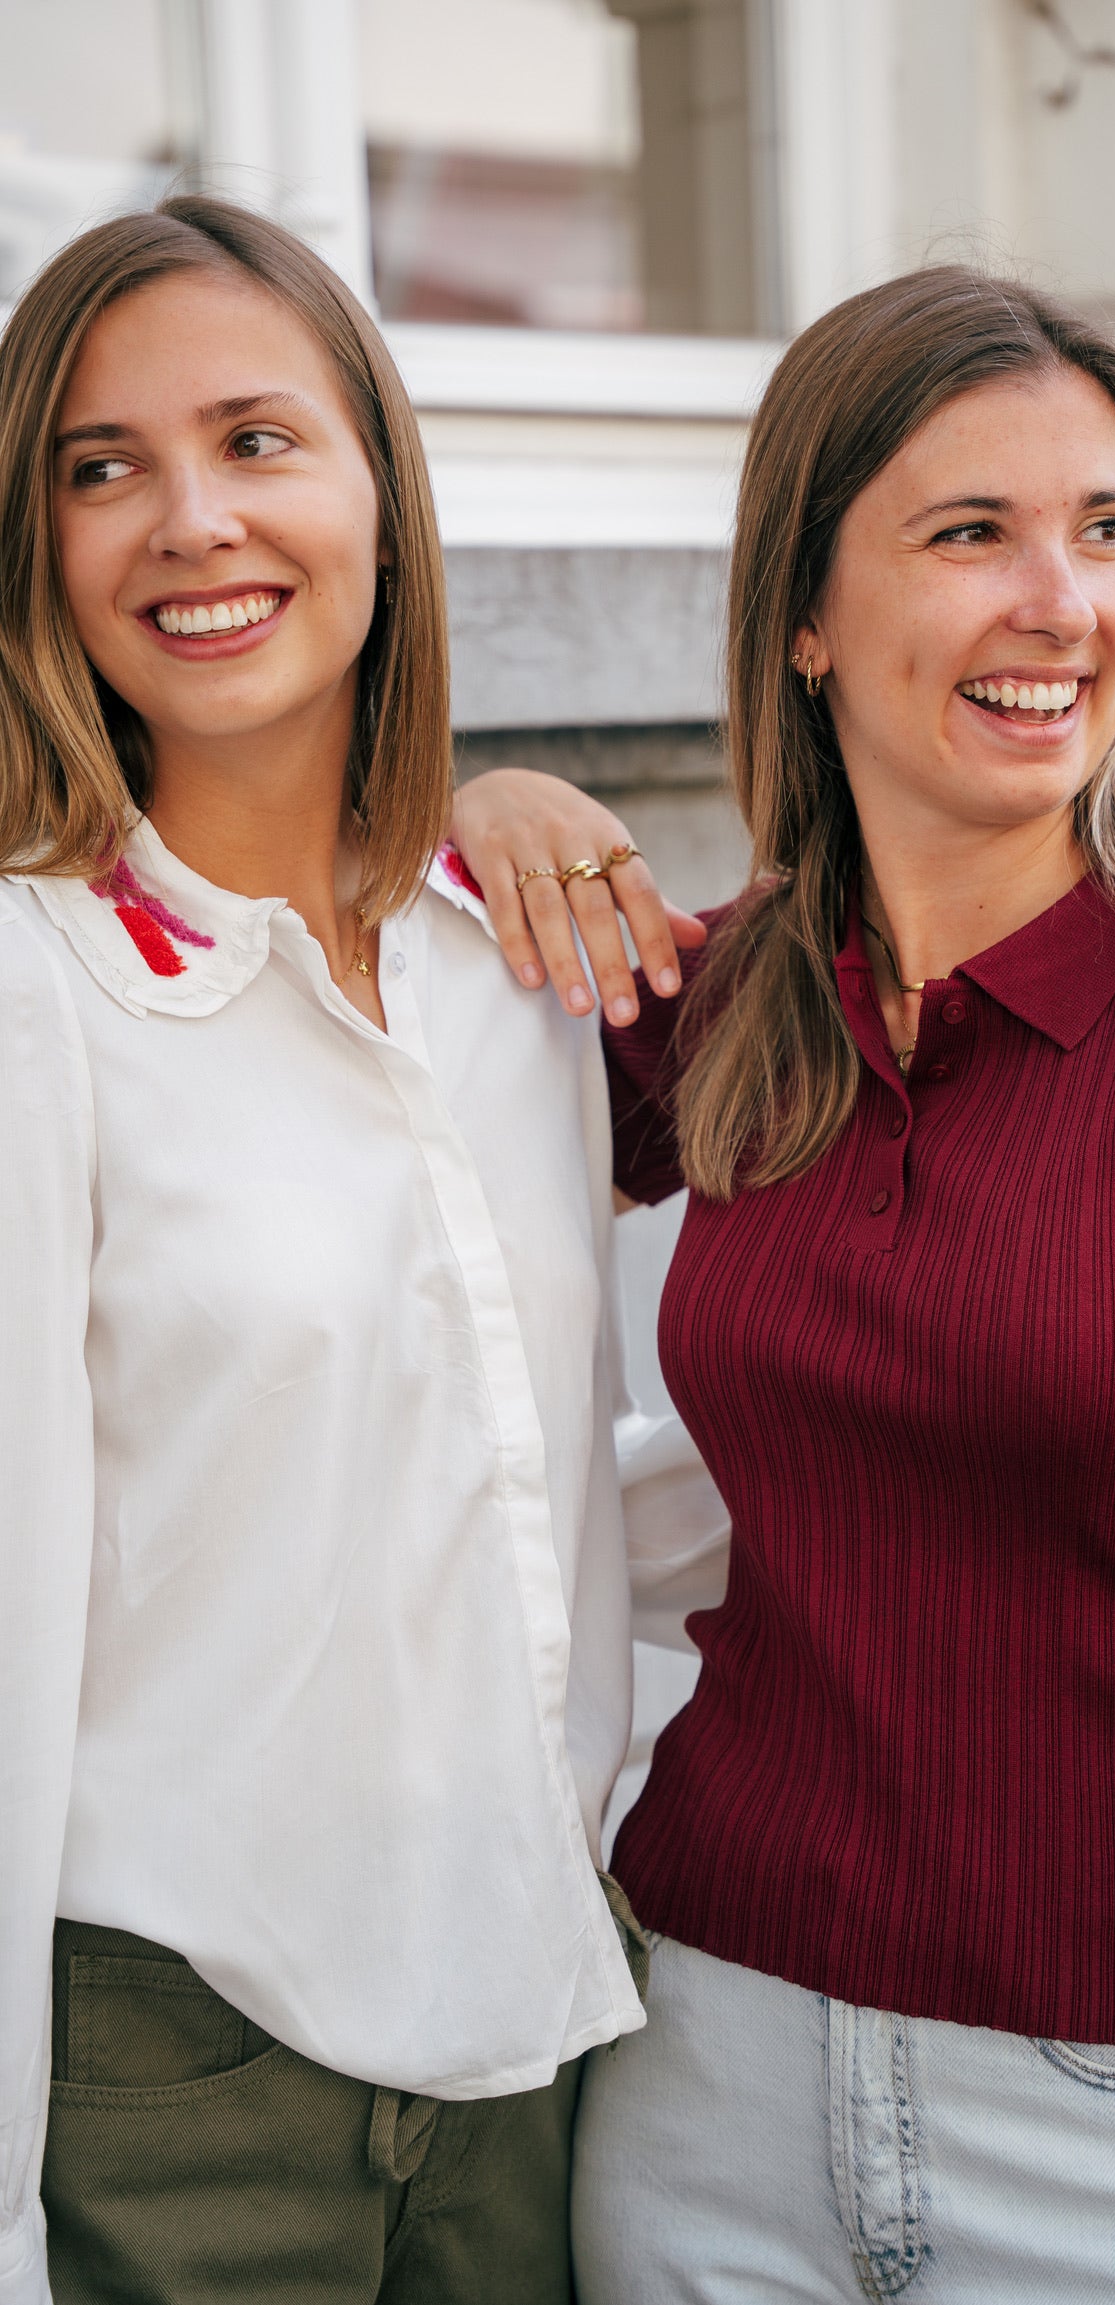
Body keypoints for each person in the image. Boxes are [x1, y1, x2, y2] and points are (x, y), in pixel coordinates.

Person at [451, 267, 1115, 2302]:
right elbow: (367, 1060)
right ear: (805, 618)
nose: (1059, 600)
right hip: (700, 2069)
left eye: (1100, 529)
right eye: (966, 533)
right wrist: (471, 810)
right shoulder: (737, 998)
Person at [0, 197, 650, 2305]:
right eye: (102, 468)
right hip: (171, 2084)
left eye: (258, 440)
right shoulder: (39, 982)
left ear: (380, 484)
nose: (189, 519)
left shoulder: (520, 959)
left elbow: (535, 1456)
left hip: (537, 2053)